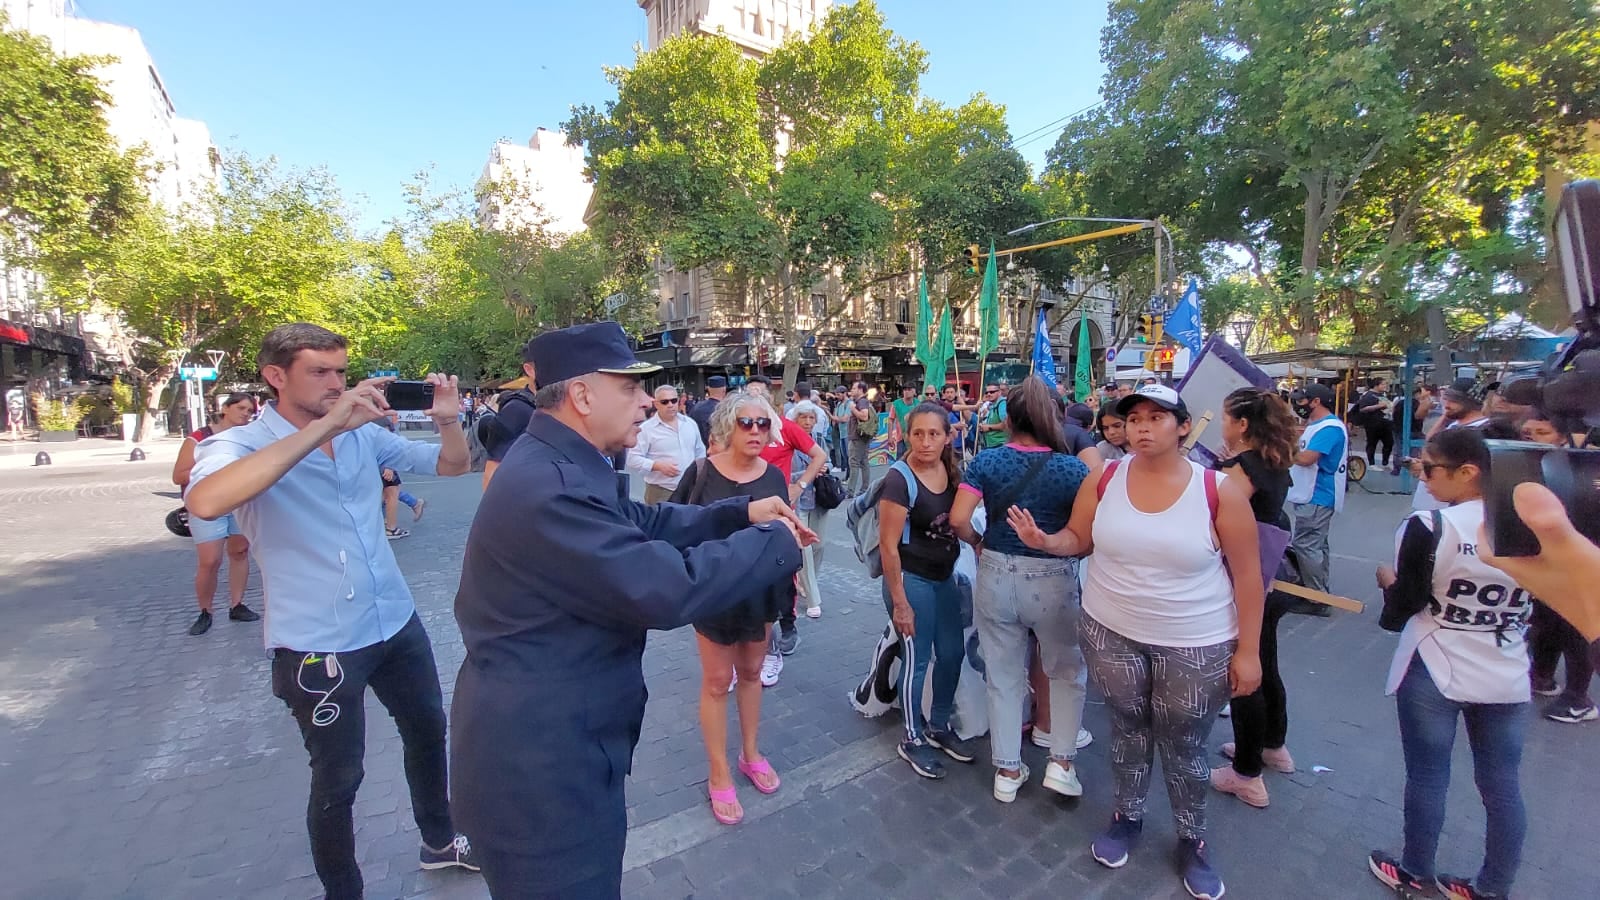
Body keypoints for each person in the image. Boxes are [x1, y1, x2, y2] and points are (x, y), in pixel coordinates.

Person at [449, 322, 814, 898]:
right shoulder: (551, 484)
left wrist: (741, 514)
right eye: (631, 387)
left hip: (559, 744)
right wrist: (777, 544)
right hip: (543, 770)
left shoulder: (562, 461)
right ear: (583, 395)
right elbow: (664, 590)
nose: (647, 401)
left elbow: (643, 521)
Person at [183, 324, 478, 899]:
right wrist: (326, 425)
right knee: (339, 779)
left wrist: (447, 420)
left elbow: (452, 467)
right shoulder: (241, 441)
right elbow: (206, 499)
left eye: (341, 371)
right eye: (319, 372)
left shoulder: (360, 436)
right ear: (276, 377)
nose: (336, 384)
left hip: (392, 617)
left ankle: (439, 843)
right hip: (317, 639)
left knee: (427, 731)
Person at [1008, 383, 1264, 900]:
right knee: (1127, 728)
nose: (1142, 427)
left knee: (1183, 737)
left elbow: (1249, 578)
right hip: (1112, 631)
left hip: (1196, 640)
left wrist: (1249, 651)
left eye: (1157, 417)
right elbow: (1079, 540)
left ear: (1183, 426)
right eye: (1133, 418)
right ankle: (1127, 815)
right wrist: (1045, 541)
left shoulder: (1218, 490)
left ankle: (1193, 837)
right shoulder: (1102, 478)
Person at [1369, 428, 1533, 900]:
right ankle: (1493, 886)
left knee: (1427, 774)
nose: (1423, 475)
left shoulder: (1430, 526)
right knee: (1502, 785)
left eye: (1431, 468)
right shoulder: (1531, 526)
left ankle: (1414, 870)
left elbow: (1403, 605)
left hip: (1435, 664)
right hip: (1505, 665)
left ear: (1468, 472)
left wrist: (1388, 582)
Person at [951, 377, 1093, 805]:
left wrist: (978, 545)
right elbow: (1084, 539)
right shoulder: (1074, 469)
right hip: (1052, 577)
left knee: (1003, 676)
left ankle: (1008, 770)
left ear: (1008, 420)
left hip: (995, 572)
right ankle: (1061, 764)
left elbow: (960, 519)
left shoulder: (986, 463)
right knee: (1066, 672)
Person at [669, 392, 793, 823]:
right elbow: (675, 528)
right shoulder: (702, 472)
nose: (757, 430)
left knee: (754, 672)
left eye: (763, 423)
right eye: (747, 423)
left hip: (759, 592)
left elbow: (784, 533)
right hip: (714, 590)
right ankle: (718, 770)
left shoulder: (774, 477)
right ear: (727, 427)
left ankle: (751, 753)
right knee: (718, 679)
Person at [1208, 389, 1298, 809]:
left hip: (1248, 576)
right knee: (1266, 661)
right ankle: (1272, 745)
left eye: (1226, 417)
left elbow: (1220, 511)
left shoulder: (1244, 467)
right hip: (1272, 573)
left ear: (1242, 424)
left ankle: (1246, 774)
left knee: (1245, 673)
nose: (1222, 424)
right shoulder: (1271, 458)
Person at [880, 402, 972, 779]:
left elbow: (960, 523)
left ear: (948, 436)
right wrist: (900, 603)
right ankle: (912, 736)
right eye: (918, 433)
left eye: (934, 433)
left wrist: (980, 542)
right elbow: (888, 547)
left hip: (943, 577)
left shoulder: (953, 472)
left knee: (952, 653)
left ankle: (938, 726)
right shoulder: (899, 479)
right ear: (907, 434)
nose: (925, 441)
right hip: (911, 581)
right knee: (916, 660)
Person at [1516, 415, 1595, 723]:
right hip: (1545, 556)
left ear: (1562, 436)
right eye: (1527, 432)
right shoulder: (1528, 462)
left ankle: (1579, 698)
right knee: (1546, 620)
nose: (1532, 437)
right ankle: (1542, 676)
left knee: (1574, 627)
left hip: (1578, 556)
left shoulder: (1580, 465)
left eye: (1542, 432)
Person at [744, 375, 826, 662]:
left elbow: (819, 455)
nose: (754, 399)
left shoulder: (785, 428)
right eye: (749, 394)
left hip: (781, 513)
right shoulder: (738, 429)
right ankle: (754, 632)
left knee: (784, 570)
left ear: (770, 399)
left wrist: (799, 485)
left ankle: (788, 626)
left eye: (760, 394)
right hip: (746, 510)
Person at [172, 392, 261, 635]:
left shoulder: (248, 437)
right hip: (208, 502)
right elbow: (179, 475)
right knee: (210, 560)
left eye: (250, 411)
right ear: (226, 408)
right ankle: (205, 611)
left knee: (240, 551)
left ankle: (237, 604)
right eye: (242, 408)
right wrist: (215, 470)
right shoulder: (200, 437)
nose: (246, 414)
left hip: (240, 502)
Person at [1288, 383, 1347, 600]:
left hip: (1318, 494)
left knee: (1306, 544)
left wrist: (1282, 448)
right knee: (1316, 545)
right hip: (1310, 493)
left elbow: (1306, 459)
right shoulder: (1316, 425)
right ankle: (1319, 592)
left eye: (1302, 401)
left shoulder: (1329, 428)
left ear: (1316, 402)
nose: (1298, 405)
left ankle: (1316, 597)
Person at [1411, 378, 1490, 511]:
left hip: (1449, 502)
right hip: (1434, 496)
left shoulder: (1480, 429)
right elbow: (1431, 442)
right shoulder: (1455, 423)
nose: (1446, 404)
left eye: (1453, 400)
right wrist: (1446, 417)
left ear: (1469, 402)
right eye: (1446, 399)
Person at [626, 384, 707, 504]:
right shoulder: (646, 429)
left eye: (674, 401)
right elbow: (632, 459)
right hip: (661, 490)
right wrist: (657, 465)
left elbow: (700, 451)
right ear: (656, 404)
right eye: (665, 402)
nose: (670, 405)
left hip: (690, 489)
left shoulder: (690, 424)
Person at [787, 401, 830, 619]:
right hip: (800, 500)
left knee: (820, 545)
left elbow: (827, 461)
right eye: (803, 417)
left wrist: (824, 468)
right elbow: (788, 475)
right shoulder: (790, 444)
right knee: (805, 549)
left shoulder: (819, 440)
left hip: (820, 499)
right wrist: (808, 472)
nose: (807, 422)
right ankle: (813, 598)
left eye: (811, 418)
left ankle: (805, 581)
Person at [844, 381, 876, 495]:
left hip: (858, 437)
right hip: (863, 436)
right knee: (863, 462)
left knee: (854, 463)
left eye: (854, 388)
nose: (851, 390)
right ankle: (864, 488)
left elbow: (864, 416)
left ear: (860, 390)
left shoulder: (861, 402)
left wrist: (853, 409)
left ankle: (850, 490)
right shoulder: (863, 401)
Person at [1355, 376, 1395, 467]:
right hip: (1372, 423)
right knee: (1372, 443)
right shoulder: (1368, 395)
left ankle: (1385, 462)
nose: (1385, 386)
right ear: (1377, 385)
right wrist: (1378, 406)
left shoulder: (1383, 395)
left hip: (1386, 422)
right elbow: (1362, 409)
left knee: (1389, 443)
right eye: (1383, 384)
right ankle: (1371, 463)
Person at [688, 375, 727, 447]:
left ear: (708, 389)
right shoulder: (725, 410)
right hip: (717, 452)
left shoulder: (696, 408)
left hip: (697, 451)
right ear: (724, 390)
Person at [976, 381, 1009, 450]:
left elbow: (1006, 424)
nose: (988, 394)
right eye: (987, 392)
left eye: (992, 392)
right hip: (991, 445)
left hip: (999, 445)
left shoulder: (1002, 404)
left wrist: (989, 427)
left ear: (999, 392)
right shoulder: (993, 404)